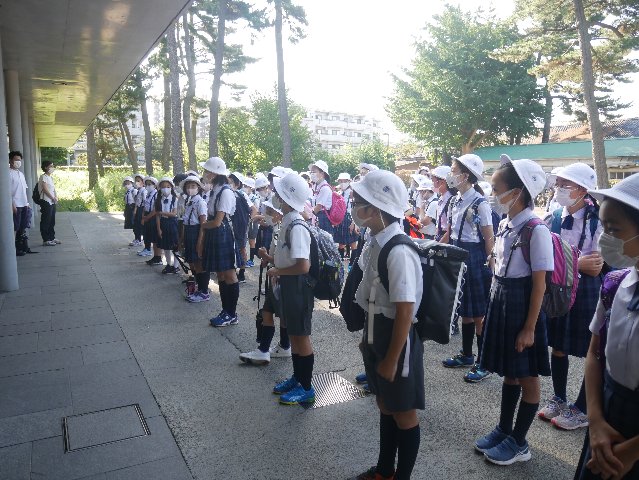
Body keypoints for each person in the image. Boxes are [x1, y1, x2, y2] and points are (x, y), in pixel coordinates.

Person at [475, 158, 553, 465]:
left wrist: (529, 328)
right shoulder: (506, 223)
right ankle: (504, 429)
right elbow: (499, 269)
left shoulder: (536, 229)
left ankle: (519, 442)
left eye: (497, 189)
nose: (493, 194)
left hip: (523, 307)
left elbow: (539, 285)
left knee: (528, 376)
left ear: (517, 192)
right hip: (502, 299)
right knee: (511, 372)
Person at [350, 169, 424, 480]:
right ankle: (384, 470)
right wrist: (367, 340)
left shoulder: (399, 249)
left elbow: (405, 310)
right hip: (377, 332)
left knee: (404, 412)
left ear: (375, 208)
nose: (354, 207)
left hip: (397, 339)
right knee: (385, 403)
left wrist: (392, 358)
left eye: (358, 202)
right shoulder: (375, 241)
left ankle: (401, 475)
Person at [574, 173, 639, 480]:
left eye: (614, 229)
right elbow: (594, 354)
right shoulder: (614, 285)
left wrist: (631, 452)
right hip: (606, 417)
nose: (604, 238)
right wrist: (596, 421)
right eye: (603, 227)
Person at [538, 163, 603, 431]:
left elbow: (597, 265)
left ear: (583, 190)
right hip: (560, 288)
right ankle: (559, 397)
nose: (559, 189)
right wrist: (577, 264)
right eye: (558, 184)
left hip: (588, 291)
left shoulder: (597, 221)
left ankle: (583, 408)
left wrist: (569, 264)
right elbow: (544, 257)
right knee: (558, 345)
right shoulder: (552, 217)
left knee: (591, 349)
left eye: (565, 185)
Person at [441, 154, 494, 384]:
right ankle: (466, 354)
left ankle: (483, 362)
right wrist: (433, 247)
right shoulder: (455, 201)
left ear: (466, 175)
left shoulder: (480, 203)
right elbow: (450, 232)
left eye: (454, 171)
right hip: (457, 254)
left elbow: (488, 236)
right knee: (465, 310)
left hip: (474, 257)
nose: (451, 175)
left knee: (479, 313)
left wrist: (492, 265)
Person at [269, 173, 316, 405]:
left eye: (278, 194)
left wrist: (278, 271)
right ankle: (298, 378)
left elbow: (303, 266)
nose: (275, 197)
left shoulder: (297, 225)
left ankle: (306, 387)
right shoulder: (289, 220)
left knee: (301, 337)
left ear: (285, 198)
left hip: (298, 286)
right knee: (294, 335)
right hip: (290, 285)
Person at [239, 199, 292, 364]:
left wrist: (266, 257)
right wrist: (267, 258)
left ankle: (265, 350)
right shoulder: (280, 227)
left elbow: (282, 259)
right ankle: (283, 346)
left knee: (270, 311)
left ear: (278, 214)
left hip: (280, 278)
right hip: (280, 277)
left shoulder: (280, 229)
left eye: (269, 212)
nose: (265, 215)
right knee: (277, 313)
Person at [197, 157, 240, 328]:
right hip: (215, 234)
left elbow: (216, 222)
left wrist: (202, 226)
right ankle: (225, 311)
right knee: (221, 275)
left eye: (207, 171)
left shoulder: (226, 192)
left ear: (214, 174)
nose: (204, 173)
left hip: (222, 234)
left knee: (229, 275)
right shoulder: (215, 190)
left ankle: (231, 314)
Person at [181, 176, 210, 302]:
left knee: (200, 263)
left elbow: (203, 224)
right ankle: (199, 287)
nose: (190, 189)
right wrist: (183, 238)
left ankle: (204, 291)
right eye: (188, 187)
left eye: (193, 186)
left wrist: (200, 241)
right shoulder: (189, 201)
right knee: (194, 263)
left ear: (198, 187)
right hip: (189, 231)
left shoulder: (200, 202)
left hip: (196, 232)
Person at [229, 172, 257, 284]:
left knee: (241, 249)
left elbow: (254, 209)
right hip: (230, 226)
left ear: (237, 183)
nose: (229, 183)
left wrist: (248, 221)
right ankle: (232, 271)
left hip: (240, 227)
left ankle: (242, 272)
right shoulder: (226, 193)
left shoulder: (241, 194)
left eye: (231, 181)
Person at [9, 151, 36, 255]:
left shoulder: (21, 174)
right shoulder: (8, 173)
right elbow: (8, 191)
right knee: (15, 228)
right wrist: (12, 204)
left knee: (22, 227)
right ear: (10, 160)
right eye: (16, 160)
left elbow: (23, 190)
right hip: (15, 205)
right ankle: (14, 249)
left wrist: (27, 203)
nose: (18, 162)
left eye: (19, 160)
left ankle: (22, 247)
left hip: (24, 204)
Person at [155, 178, 180, 275]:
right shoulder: (158, 200)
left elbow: (174, 213)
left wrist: (161, 212)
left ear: (172, 188)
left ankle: (176, 266)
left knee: (175, 245)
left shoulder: (175, 199)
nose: (165, 189)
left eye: (168, 187)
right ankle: (168, 264)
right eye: (163, 187)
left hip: (172, 223)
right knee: (165, 246)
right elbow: (157, 216)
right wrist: (158, 228)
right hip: (163, 223)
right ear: (160, 188)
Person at [335, 172, 358, 264]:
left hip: (349, 218)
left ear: (349, 181)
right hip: (341, 219)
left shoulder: (352, 193)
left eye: (345, 181)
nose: (342, 183)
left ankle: (352, 265)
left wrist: (353, 222)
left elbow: (355, 209)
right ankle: (339, 264)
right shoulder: (340, 193)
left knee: (353, 244)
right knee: (341, 244)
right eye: (340, 181)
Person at [141, 176, 162, 265]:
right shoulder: (148, 194)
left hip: (153, 217)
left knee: (156, 239)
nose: (148, 186)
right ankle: (155, 256)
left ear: (155, 185)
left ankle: (158, 257)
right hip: (147, 216)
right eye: (146, 184)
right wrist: (143, 216)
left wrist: (147, 217)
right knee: (152, 238)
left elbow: (156, 209)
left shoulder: (156, 194)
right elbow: (145, 206)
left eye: (150, 184)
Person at [430, 166, 455, 243]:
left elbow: (450, 230)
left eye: (433, 181)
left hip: (447, 241)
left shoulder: (452, 201)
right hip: (440, 238)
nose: (432, 184)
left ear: (442, 182)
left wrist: (438, 245)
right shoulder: (441, 199)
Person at [309, 160, 334, 235]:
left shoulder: (325, 188)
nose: (312, 174)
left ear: (322, 174)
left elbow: (319, 206)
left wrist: (309, 216)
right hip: (317, 216)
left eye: (314, 172)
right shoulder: (317, 186)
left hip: (323, 217)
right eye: (311, 172)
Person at [38, 160, 60, 246]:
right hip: (46, 201)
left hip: (52, 201)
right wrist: (52, 197)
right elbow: (45, 189)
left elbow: (53, 189)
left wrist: (56, 197)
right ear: (45, 167)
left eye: (52, 166)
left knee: (52, 220)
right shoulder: (43, 177)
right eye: (50, 166)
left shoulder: (50, 177)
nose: (52, 168)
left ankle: (52, 237)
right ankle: (46, 239)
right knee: (46, 220)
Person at [131, 174, 146, 248]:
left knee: (139, 225)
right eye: (136, 181)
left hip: (141, 209)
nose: (137, 182)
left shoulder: (144, 191)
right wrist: (135, 210)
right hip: (137, 209)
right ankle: (137, 238)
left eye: (138, 181)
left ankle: (139, 240)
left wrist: (143, 212)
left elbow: (145, 202)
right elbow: (137, 201)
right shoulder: (138, 191)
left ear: (143, 182)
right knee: (136, 225)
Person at [123, 176, 137, 245]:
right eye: (125, 184)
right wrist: (125, 211)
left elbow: (137, 201)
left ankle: (138, 239)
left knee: (135, 224)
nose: (127, 185)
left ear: (132, 183)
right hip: (128, 208)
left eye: (128, 183)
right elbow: (126, 202)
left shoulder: (134, 191)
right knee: (131, 224)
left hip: (133, 208)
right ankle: (136, 238)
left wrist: (135, 210)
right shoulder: (127, 192)